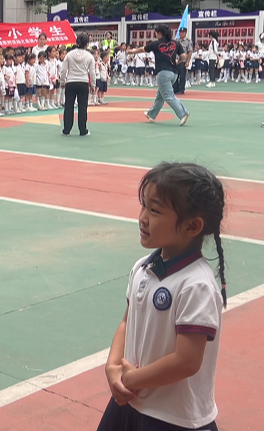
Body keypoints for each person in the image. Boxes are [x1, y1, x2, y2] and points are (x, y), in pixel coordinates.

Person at [98, 162, 226, 431]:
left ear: (192, 226)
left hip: (174, 418)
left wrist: (133, 380)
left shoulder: (196, 285)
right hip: (130, 403)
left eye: (154, 210)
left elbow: (186, 361)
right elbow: (127, 322)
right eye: (143, 206)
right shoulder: (143, 267)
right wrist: (113, 367)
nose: (143, 217)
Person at [128, 25, 190, 126]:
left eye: (156, 33)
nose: (155, 34)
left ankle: (183, 113)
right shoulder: (176, 43)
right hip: (174, 73)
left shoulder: (156, 44)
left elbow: (143, 49)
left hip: (163, 72)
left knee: (168, 96)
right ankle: (151, 114)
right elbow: (184, 56)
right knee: (160, 96)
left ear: (160, 33)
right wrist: (177, 62)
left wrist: (131, 51)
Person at [60, 32, 96, 136]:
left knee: (68, 106)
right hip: (83, 82)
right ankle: (82, 130)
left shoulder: (69, 54)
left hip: (70, 82)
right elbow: (92, 72)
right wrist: (93, 85)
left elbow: (63, 70)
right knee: (82, 107)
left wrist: (62, 82)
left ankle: (66, 130)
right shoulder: (89, 56)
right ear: (87, 44)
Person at [175, 27, 193, 94]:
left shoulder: (188, 41)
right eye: (180, 32)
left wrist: (188, 61)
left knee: (182, 75)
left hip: (183, 61)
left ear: (185, 33)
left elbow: (190, 52)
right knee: (175, 75)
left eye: (182, 32)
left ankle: (181, 89)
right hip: (176, 60)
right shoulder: (176, 40)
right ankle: (175, 88)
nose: (181, 33)